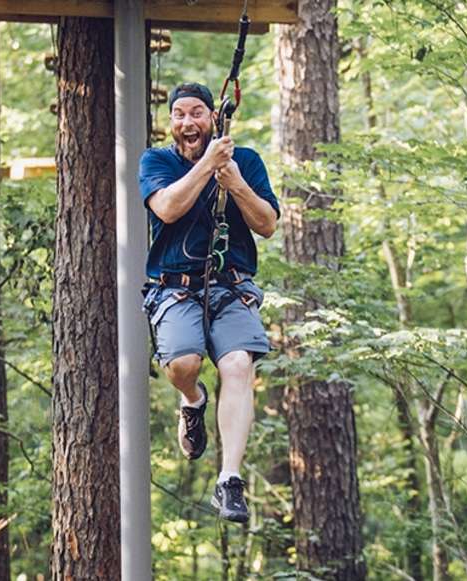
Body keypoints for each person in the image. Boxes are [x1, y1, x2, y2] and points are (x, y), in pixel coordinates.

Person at [139, 82, 279, 523]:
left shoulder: (247, 163)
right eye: (179, 114)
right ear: (171, 123)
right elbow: (167, 207)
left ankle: (230, 482)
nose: (187, 122)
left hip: (231, 286)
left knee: (238, 364)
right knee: (184, 366)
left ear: (213, 119)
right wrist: (206, 167)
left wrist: (235, 182)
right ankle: (193, 400)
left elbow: (268, 223)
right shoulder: (157, 161)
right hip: (174, 285)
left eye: (196, 113)